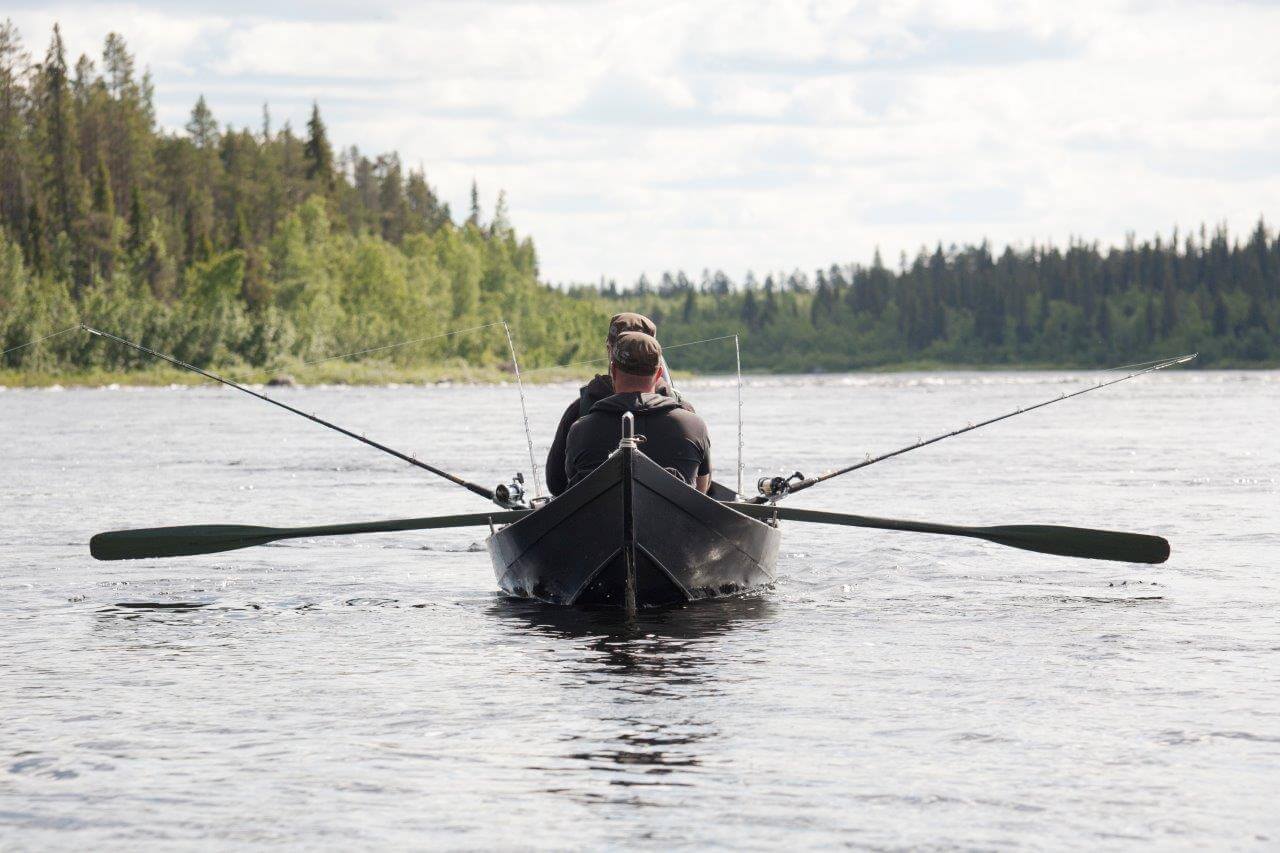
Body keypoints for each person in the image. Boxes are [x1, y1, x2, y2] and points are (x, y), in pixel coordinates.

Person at [544, 312, 691, 496]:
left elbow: (556, 484)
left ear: (610, 352)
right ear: (655, 355)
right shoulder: (687, 415)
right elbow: (703, 487)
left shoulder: (578, 413)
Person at [564, 332, 711, 492]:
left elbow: (570, 484)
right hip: (674, 516)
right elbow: (702, 490)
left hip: (601, 515)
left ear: (613, 370)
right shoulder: (693, 425)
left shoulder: (580, 429)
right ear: (659, 374)